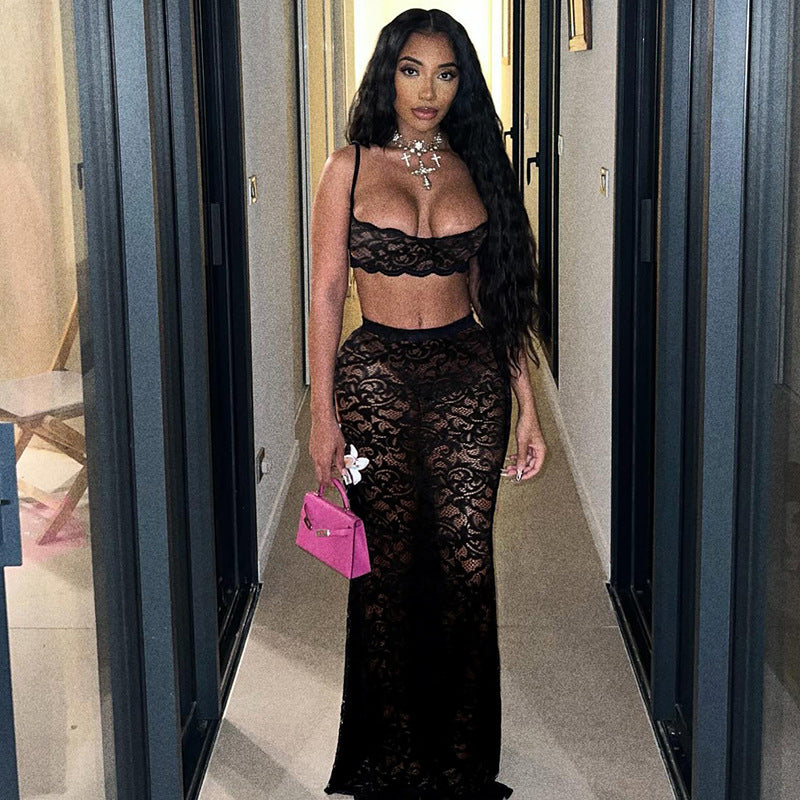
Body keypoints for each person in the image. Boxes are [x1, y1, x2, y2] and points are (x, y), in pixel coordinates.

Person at [308, 8, 547, 799]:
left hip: (467, 382)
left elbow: (499, 299)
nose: (427, 90)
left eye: (445, 74)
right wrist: (322, 414)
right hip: (373, 379)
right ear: (389, 73)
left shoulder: (477, 165)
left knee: (467, 562)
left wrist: (529, 407)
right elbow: (326, 294)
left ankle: (461, 762)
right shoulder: (348, 166)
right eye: (413, 70)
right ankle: (392, 759)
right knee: (388, 566)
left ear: (461, 85)